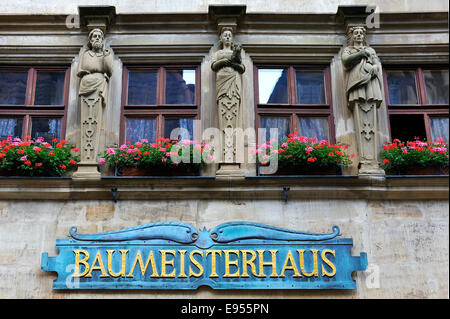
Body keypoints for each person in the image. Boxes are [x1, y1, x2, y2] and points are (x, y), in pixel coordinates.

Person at [211, 27, 245, 163]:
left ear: (232, 39)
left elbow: (242, 68)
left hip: (233, 78)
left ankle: (231, 155)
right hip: (222, 79)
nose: (227, 37)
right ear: (221, 39)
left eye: (229, 35)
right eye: (225, 35)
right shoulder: (218, 53)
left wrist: (235, 61)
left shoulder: (235, 51)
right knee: (223, 108)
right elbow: (213, 65)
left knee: (233, 106)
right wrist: (222, 62)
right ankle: (227, 156)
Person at [341, 26, 383, 109]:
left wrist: (375, 67)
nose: (359, 35)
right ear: (352, 36)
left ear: (364, 36)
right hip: (356, 78)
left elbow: (376, 63)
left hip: (370, 75)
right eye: (356, 33)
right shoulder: (348, 49)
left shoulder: (370, 50)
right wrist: (360, 54)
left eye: (361, 33)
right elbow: (345, 60)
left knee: (371, 98)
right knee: (358, 98)